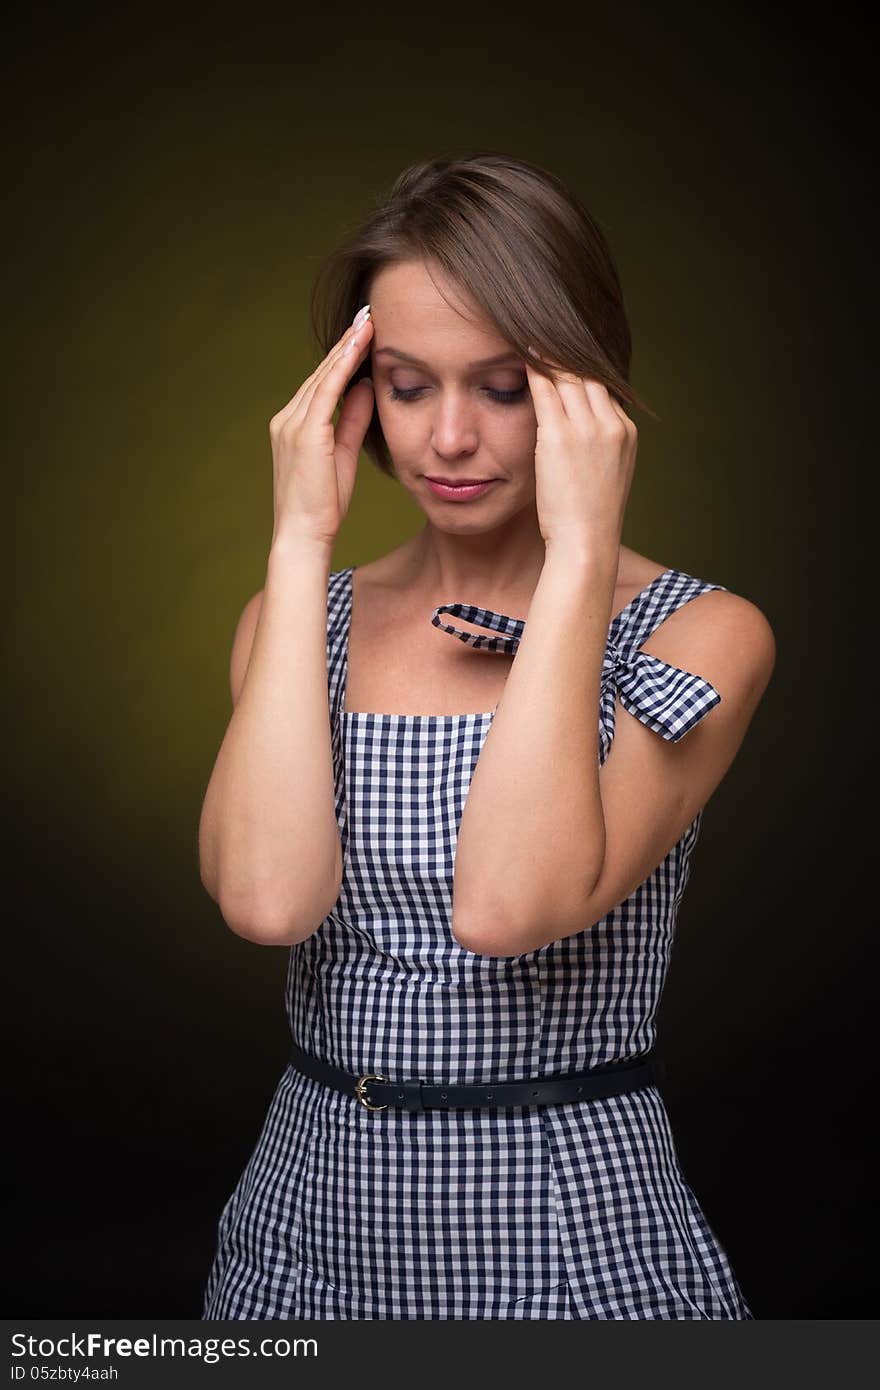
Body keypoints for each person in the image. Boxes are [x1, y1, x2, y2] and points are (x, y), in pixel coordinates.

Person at [198, 151, 775, 1320]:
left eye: (503, 386)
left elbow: (508, 909)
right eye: (407, 386)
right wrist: (299, 540)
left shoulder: (698, 634)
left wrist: (575, 559)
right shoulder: (298, 616)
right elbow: (267, 901)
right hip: (307, 1217)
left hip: (559, 1222)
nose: (447, 437)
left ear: (586, 392)